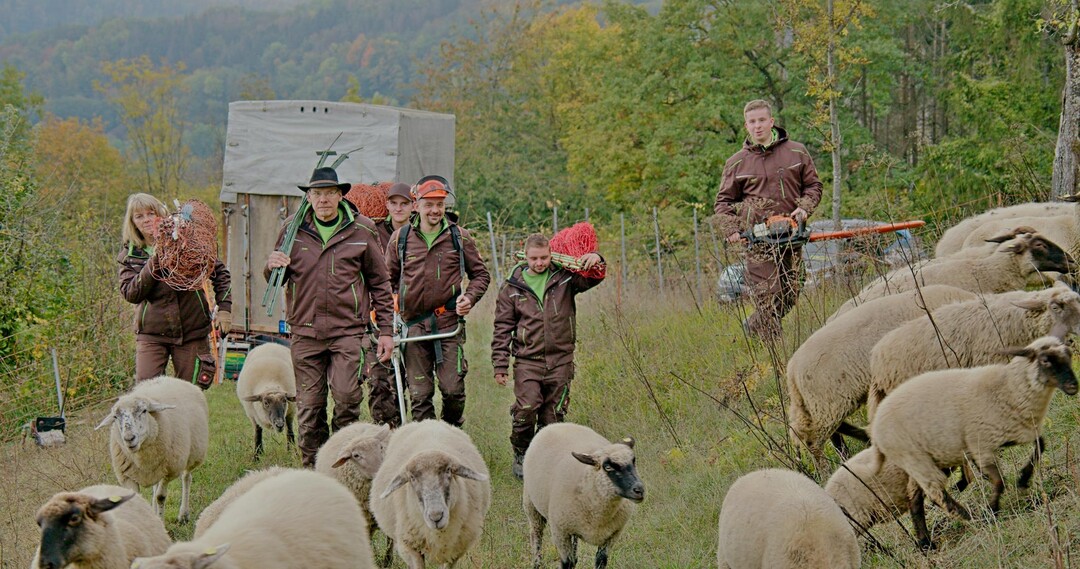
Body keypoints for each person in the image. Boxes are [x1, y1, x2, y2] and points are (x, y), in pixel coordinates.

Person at [265, 167, 396, 467]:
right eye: (317, 194)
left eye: (329, 193)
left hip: (348, 332)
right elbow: (275, 278)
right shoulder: (292, 229)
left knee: (348, 399)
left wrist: (386, 331)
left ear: (340, 195)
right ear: (309, 197)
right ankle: (313, 469)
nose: (323, 199)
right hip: (305, 332)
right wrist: (270, 266)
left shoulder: (362, 229)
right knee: (309, 408)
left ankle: (343, 465)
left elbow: (380, 282)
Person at [491, 233, 604, 479]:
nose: (539, 263)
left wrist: (596, 258)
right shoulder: (512, 287)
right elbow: (502, 327)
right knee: (526, 408)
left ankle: (547, 458)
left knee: (554, 414)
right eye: (534, 258)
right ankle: (521, 452)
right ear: (525, 256)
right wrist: (500, 364)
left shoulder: (564, 278)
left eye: (544, 258)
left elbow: (593, 278)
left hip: (561, 359)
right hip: (527, 360)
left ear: (551, 255)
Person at [386, 176, 490, 427]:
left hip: (448, 324)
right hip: (413, 327)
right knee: (420, 395)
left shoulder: (459, 237)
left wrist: (469, 298)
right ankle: (426, 442)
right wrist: (392, 301)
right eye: (429, 204)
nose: (435, 210)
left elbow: (481, 275)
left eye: (440, 204)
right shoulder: (401, 239)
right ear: (416, 205)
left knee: (453, 389)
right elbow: (386, 280)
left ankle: (450, 432)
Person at [714, 99, 822, 339]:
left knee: (791, 292)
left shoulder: (796, 151)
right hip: (758, 242)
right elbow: (723, 202)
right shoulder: (736, 162)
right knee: (769, 294)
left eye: (762, 120)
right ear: (746, 126)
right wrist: (731, 229)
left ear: (771, 121)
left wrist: (804, 208)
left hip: (792, 236)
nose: (757, 126)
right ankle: (774, 350)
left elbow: (813, 186)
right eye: (752, 122)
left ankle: (753, 326)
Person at [118, 193, 232, 386]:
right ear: (133, 223)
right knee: (146, 391)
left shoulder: (188, 242)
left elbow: (220, 273)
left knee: (189, 391)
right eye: (139, 216)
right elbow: (131, 293)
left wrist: (225, 309)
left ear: (161, 214)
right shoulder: (130, 255)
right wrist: (156, 261)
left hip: (192, 331)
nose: (146, 220)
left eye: (151, 213)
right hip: (152, 333)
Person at [364, 182, 414, 427]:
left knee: (408, 377)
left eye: (404, 203)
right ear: (387, 205)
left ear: (413, 206)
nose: (399, 208)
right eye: (394, 203)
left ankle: (408, 431)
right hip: (380, 312)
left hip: (412, 312)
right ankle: (385, 429)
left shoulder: (419, 232)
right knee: (380, 378)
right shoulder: (373, 232)